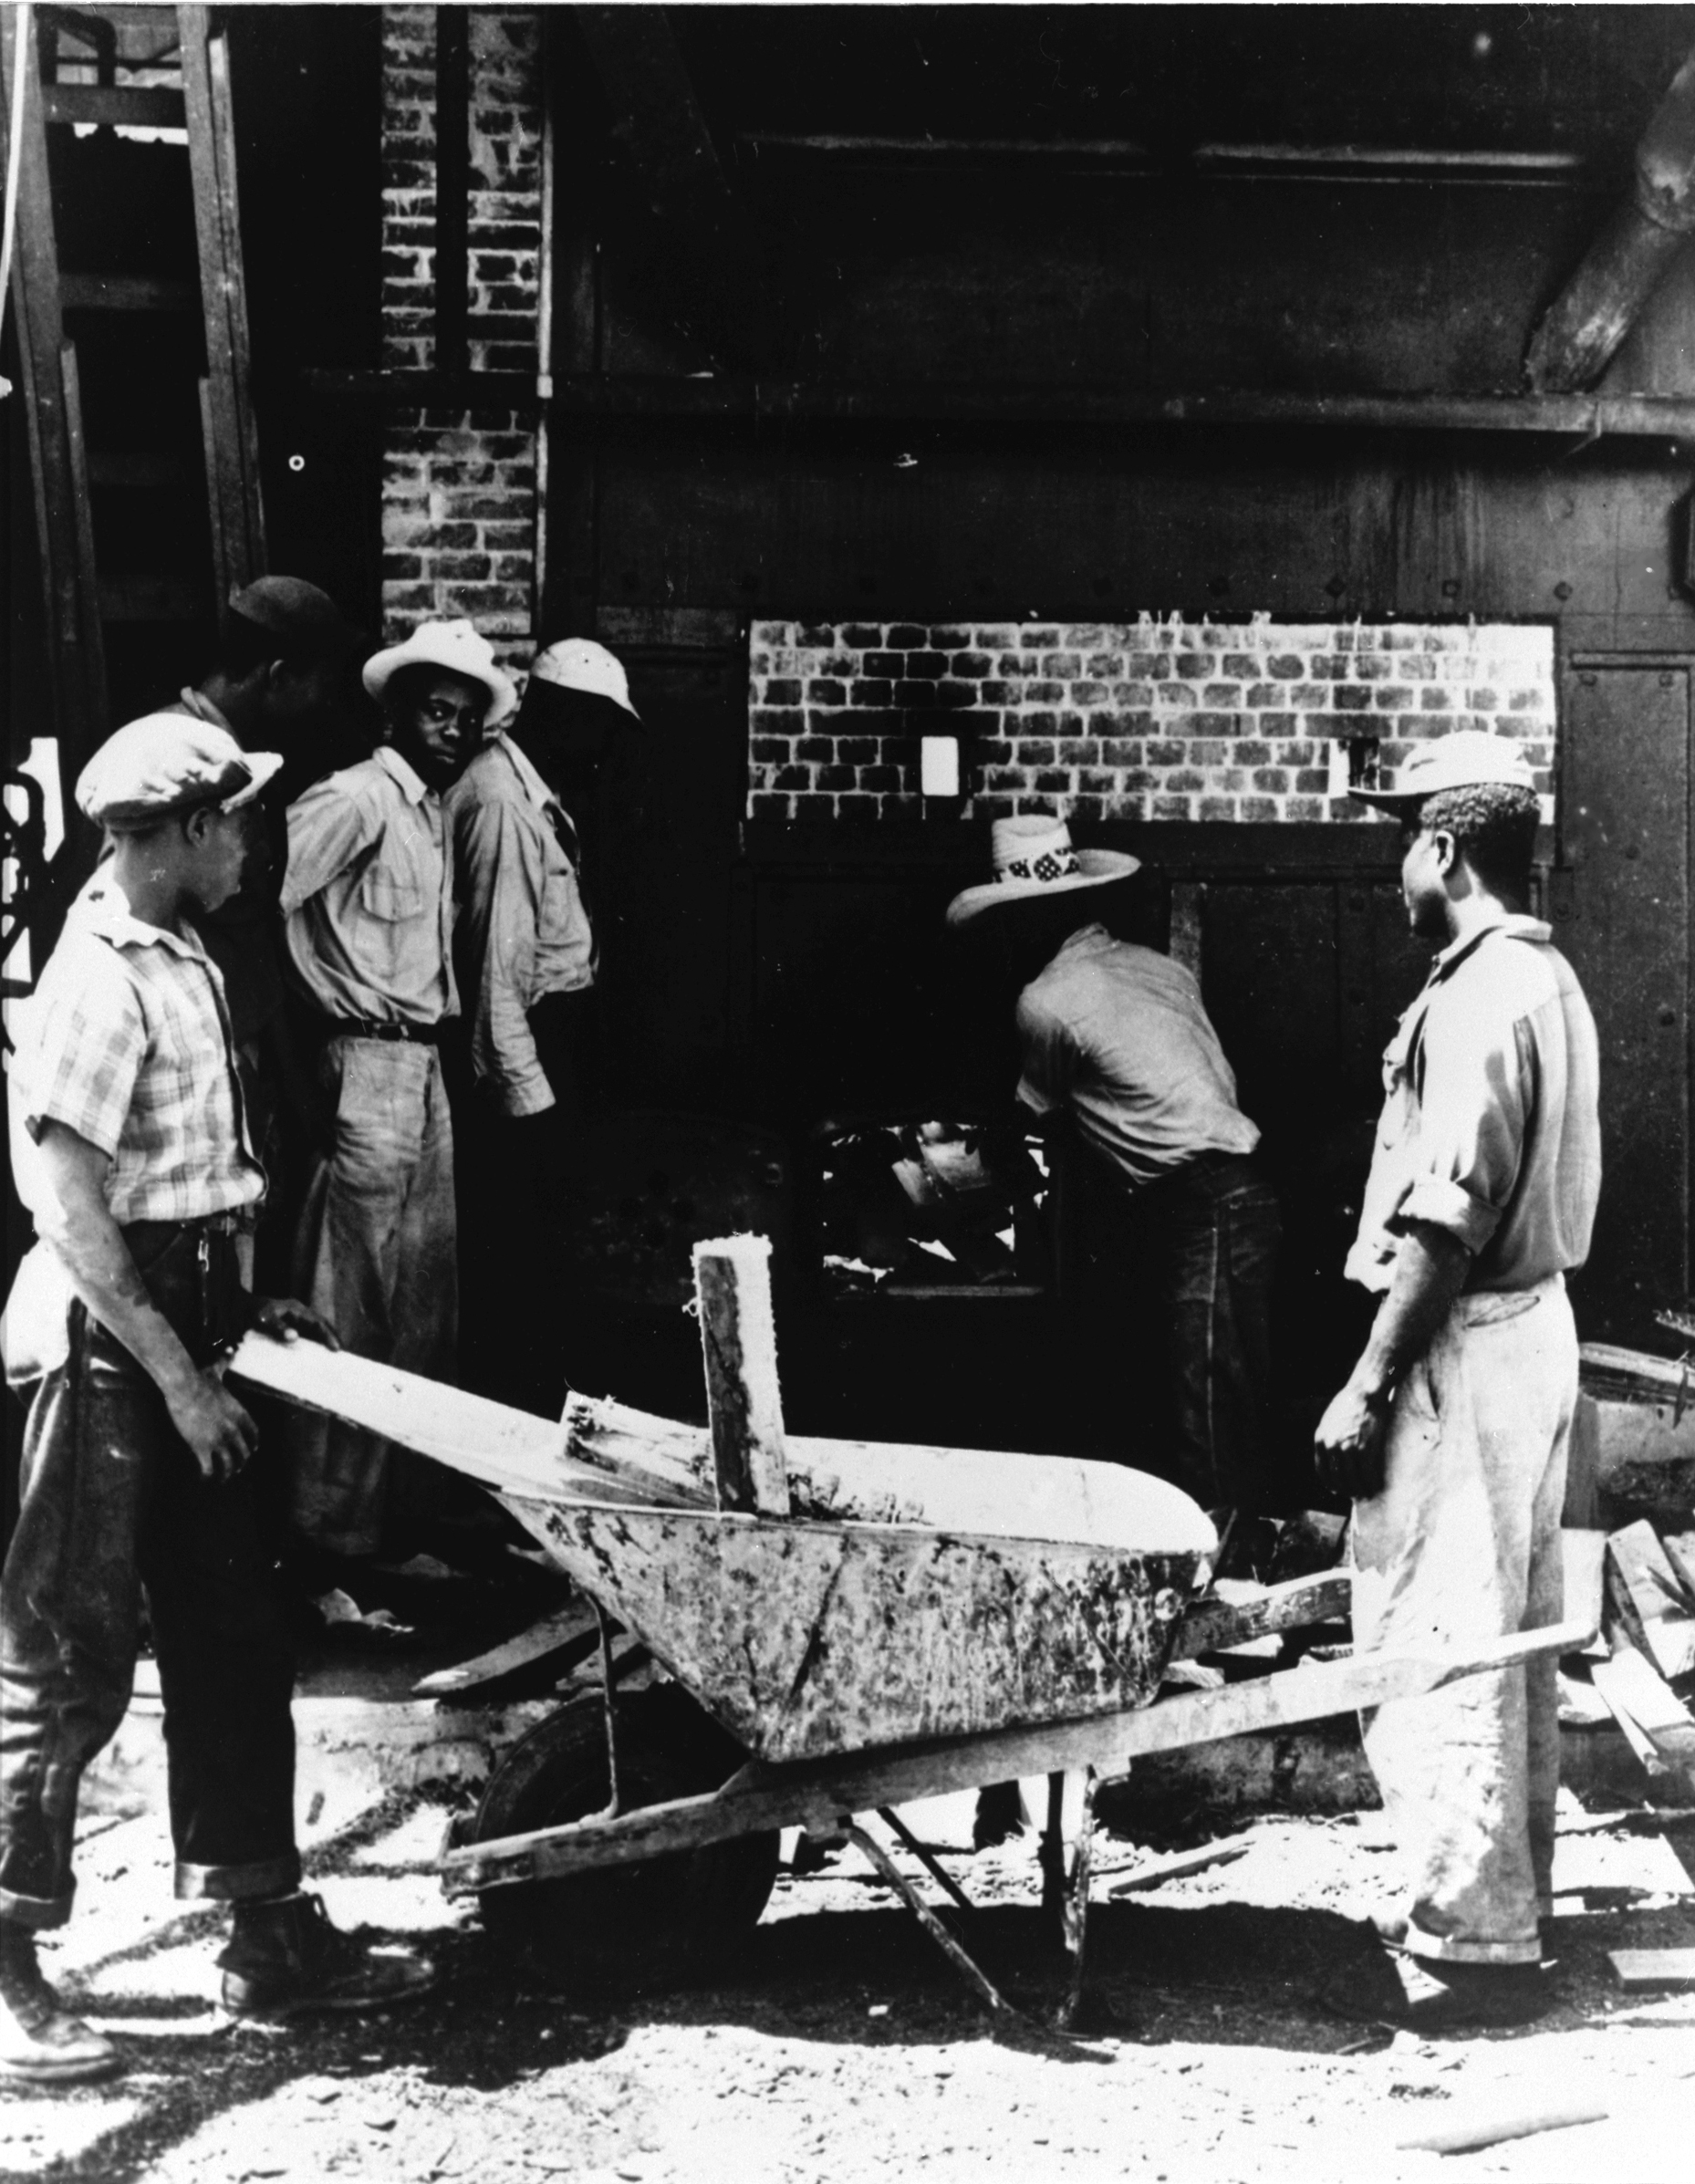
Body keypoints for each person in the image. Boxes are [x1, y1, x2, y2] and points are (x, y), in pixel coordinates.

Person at [0, 717, 432, 2085]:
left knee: (237, 1631)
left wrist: (243, 1318)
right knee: (64, 1659)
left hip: (191, 1325)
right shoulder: (93, 977)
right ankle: (10, 1964)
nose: (252, 841)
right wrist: (180, 1375)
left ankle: (265, 1928)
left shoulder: (182, 952)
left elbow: (185, 1178)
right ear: (183, 831)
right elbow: (70, 1206)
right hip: (107, 1344)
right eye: (236, 820)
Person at [1315, 730, 1600, 2031]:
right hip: (1530, 1325)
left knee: (1445, 1626)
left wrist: (1368, 1380)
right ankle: (1499, 1902)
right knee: (1509, 1623)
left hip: (1468, 1336)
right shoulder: (1538, 977)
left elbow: (1445, 1214)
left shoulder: (1483, 989)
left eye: (1401, 842)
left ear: (1442, 849)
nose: (1395, 869)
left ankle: (1472, 1934)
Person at [947, 816, 1281, 1513]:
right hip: (1238, 1192)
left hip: (1202, 1201)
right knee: (1225, 1394)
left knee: (1208, 1404)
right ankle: (1237, 1556)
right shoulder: (1161, 968)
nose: (1006, 939)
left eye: (1011, 922)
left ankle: (1228, 1578)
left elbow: (1029, 1120)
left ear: (1038, 919)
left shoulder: (1045, 1002)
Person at [280, 619, 515, 1564]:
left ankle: (399, 1525)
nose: (452, 729)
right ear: (395, 712)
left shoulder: (427, 812)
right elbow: (264, 899)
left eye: (466, 716)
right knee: (351, 1303)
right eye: (435, 709)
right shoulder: (354, 800)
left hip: (421, 1064)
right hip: (365, 1062)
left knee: (423, 1306)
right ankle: (327, 1535)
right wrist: (299, 1064)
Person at [444, 637, 637, 1409]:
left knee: (534, 1262)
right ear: (562, 714)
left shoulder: (527, 795)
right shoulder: (501, 805)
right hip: (523, 1055)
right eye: (599, 727)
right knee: (518, 1266)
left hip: (546, 1045)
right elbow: (495, 976)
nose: (603, 751)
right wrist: (530, 1107)